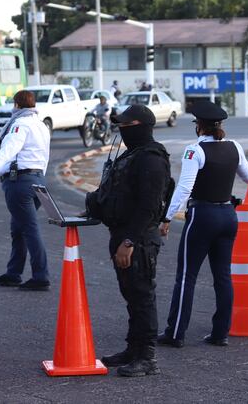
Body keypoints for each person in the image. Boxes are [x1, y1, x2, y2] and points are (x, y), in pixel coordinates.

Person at [157, 100, 248, 349]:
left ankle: (175, 333)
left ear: (199, 126)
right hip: (228, 215)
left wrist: (167, 217)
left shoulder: (195, 151)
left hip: (202, 216)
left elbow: (184, 188)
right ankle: (220, 332)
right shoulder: (235, 147)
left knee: (186, 277)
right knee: (223, 277)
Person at [85, 104, 172, 377]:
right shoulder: (132, 155)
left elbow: (148, 206)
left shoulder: (151, 158)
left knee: (143, 296)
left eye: (125, 125)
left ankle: (147, 358)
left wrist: (129, 242)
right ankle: (133, 349)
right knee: (132, 297)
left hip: (138, 240)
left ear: (141, 127)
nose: (120, 130)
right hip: (122, 234)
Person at [0, 89, 52, 291]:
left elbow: (8, 151)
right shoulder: (42, 126)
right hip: (37, 181)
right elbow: (43, 156)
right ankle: (13, 273)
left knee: (29, 229)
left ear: (16, 106)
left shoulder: (20, 125)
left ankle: (41, 276)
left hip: (20, 183)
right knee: (18, 229)